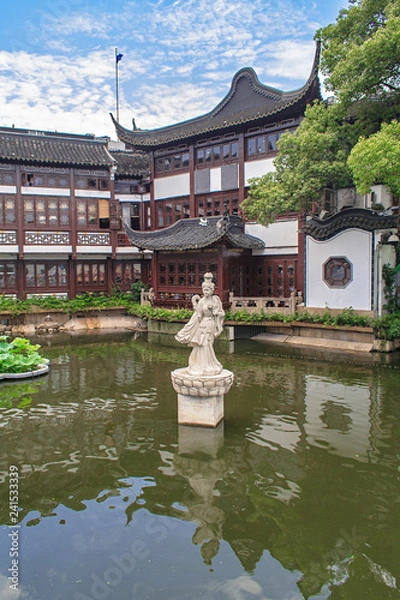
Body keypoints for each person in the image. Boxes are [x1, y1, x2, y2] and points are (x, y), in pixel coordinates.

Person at [175, 273, 225, 376]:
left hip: (210, 323)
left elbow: (222, 313)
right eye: (204, 289)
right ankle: (198, 364)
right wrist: (196, 307)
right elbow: (198, 316)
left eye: (208, 289)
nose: (205, 291)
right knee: (199, 344)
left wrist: (216, 314)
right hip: (202, 324)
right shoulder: (202, 301)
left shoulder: (216, 300)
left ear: (212, 290)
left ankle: (208, 364)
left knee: (207, 344)